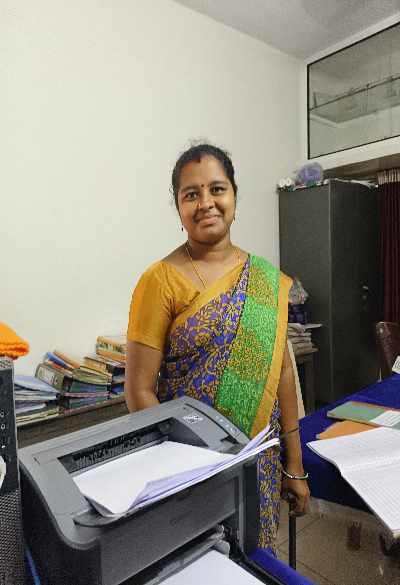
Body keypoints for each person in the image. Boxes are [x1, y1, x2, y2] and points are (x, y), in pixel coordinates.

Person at [125, 143, 309, 551]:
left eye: (217, 189)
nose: (206, 202)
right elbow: (138, 391)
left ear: (234, 197)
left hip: (258, 458)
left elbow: (281, 374)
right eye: (191, 194)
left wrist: (294, 465)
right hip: (190, 469)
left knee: (255, 558)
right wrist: (182, 467)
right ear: (178, 206)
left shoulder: (264, 279)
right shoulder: (159, 281)